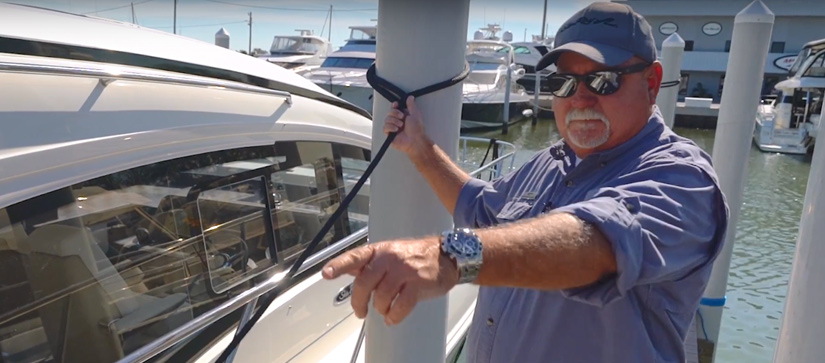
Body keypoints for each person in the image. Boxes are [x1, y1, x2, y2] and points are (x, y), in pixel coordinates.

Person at [322, 2, 729, 362]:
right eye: (564, 83)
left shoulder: (681, 178)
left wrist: (449, 257)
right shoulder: (549, 163)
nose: (581, 98)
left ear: (652, 83)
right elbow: (482, 210)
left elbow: (600, 242)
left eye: (604, 80)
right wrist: (423, 150)